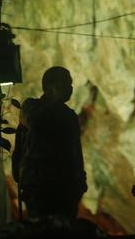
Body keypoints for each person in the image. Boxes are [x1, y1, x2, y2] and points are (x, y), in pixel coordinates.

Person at [13, 66, 87, 218]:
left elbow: (75, 152)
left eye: (70, 84)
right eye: (65, 84)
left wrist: (79, 182)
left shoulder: (69, 116)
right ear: (49, 87)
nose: (70, 88)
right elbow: (36, 122)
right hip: (39, 188)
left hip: (64, 189)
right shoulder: (31, 107)